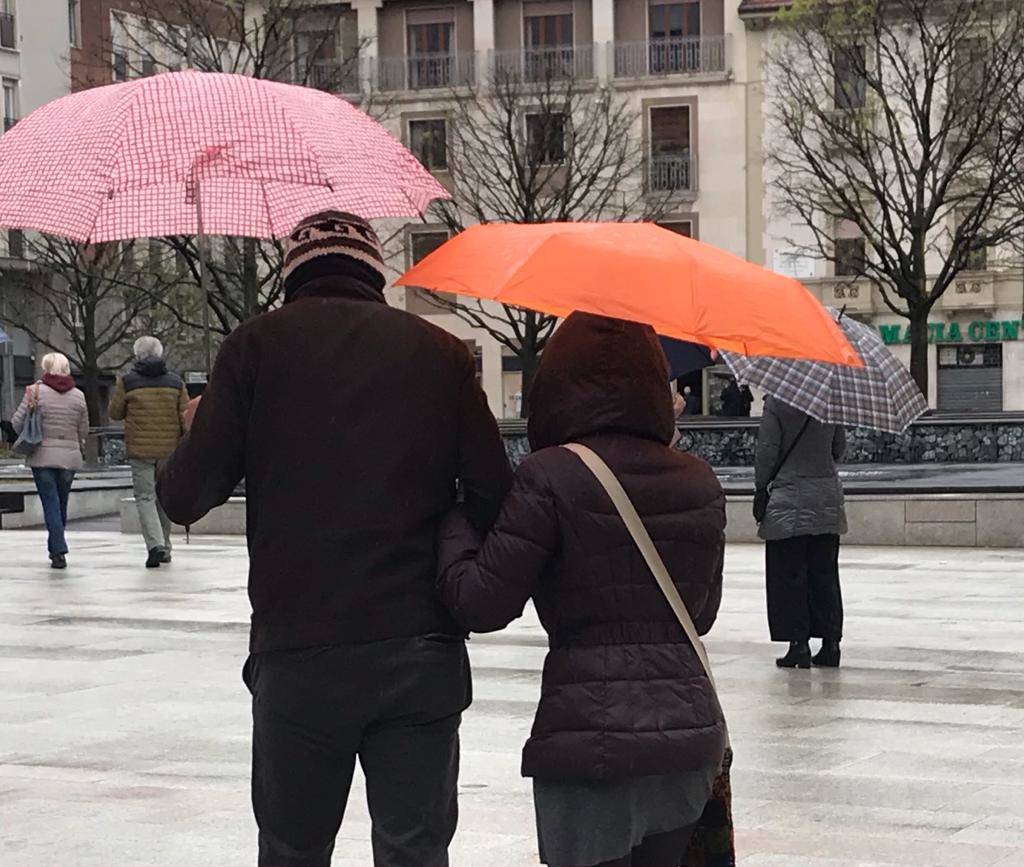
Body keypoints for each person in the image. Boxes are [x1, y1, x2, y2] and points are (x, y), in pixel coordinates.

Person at [157, 211, 512, 867]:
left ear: (293, 275)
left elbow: (183, 498)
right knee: (415, 850)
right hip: (418, 651)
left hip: (300, 655)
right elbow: (495, 492)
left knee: (294, 850)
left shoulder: (252, 348)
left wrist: (195, 425)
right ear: (374, 272)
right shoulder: (440, 353)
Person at [437, 313, 727, 867]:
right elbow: (702, 613)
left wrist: (456, 518)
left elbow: (481, 601)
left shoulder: (550, 476)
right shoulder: (699, 478)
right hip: (690, 744)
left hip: (589, 744)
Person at [755, 396, 846, 669]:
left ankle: (799, 646)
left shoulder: (777, 403)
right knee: (825, 575)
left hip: (788, 499)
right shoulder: (832, 400)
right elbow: (839, 449)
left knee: (789, 575)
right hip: (826, 500)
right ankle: (831, 645)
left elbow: (767, 451)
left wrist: (761, 486)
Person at [108, 336, 188, 569]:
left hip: (140, 450)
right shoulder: (175, 382)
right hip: (169, 450)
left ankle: (155, 545)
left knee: (145, 498)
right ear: (160, 353)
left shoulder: (128, 381)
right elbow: (185, 417)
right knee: (163, 497)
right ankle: (165, 547)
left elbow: (115, 413)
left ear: (137, 355)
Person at [11, 352, 88, 569]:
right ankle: (57, 546)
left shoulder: (35, 392)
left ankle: (58, 549)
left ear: (45, 368)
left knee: (50, 503)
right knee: (61, 502)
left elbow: (17, 422)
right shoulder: (78, 395)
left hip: (42, 456)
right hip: (70, 457)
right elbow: (84, 428)